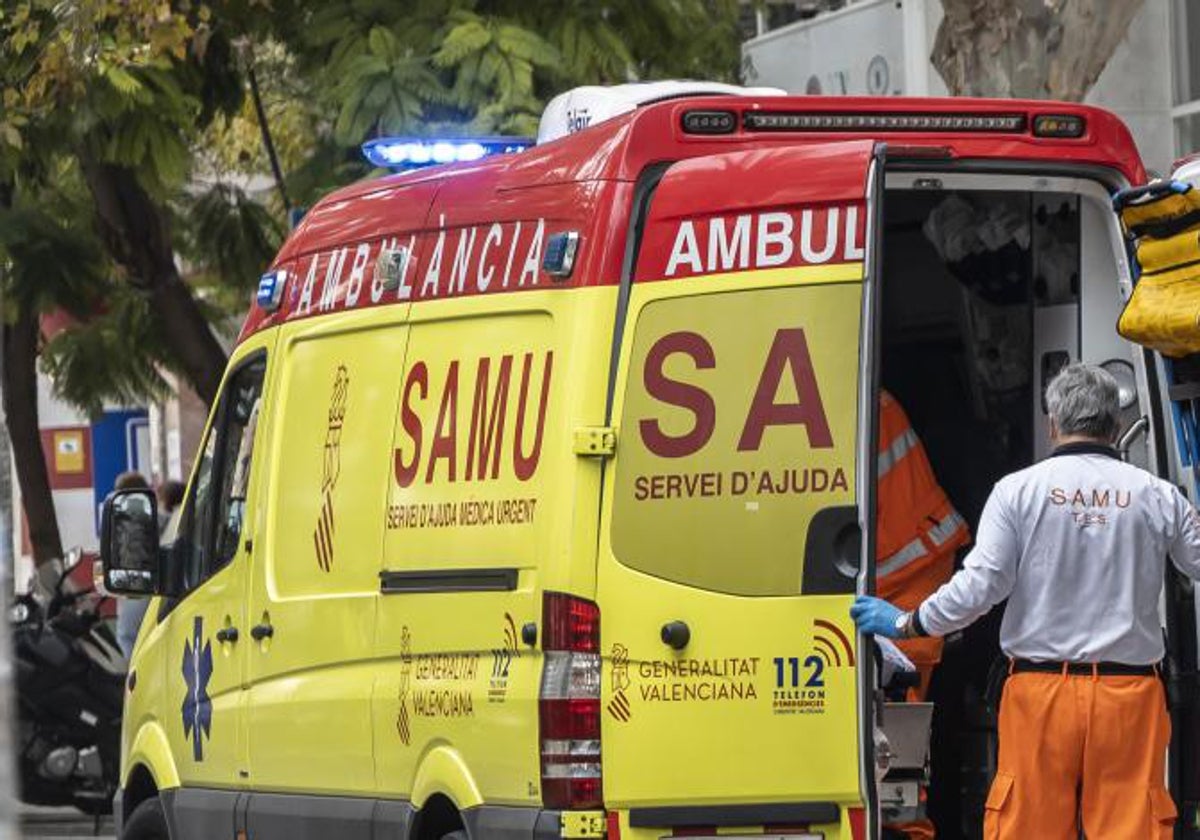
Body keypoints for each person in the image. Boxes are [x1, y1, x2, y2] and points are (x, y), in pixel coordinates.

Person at [852, 364, 1200, 839]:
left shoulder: (1017, 492)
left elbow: (980, 588)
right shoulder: (1158, 496)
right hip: (1129, 698)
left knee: (1027, 827)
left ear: (1052, 423)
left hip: (1039, 695)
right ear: (1115, 425)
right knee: (1133, 825)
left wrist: (910, 622)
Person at [876, 390, 970, 699]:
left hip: (909, 563)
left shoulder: (851, 399)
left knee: (898, 702)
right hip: (914, 552)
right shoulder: (873, 399)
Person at [115, 475, 185, 658]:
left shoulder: (138, 515)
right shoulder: (172, 516)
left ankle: (130, 679)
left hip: (145, 585)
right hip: (158, 585)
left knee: (126, 634)